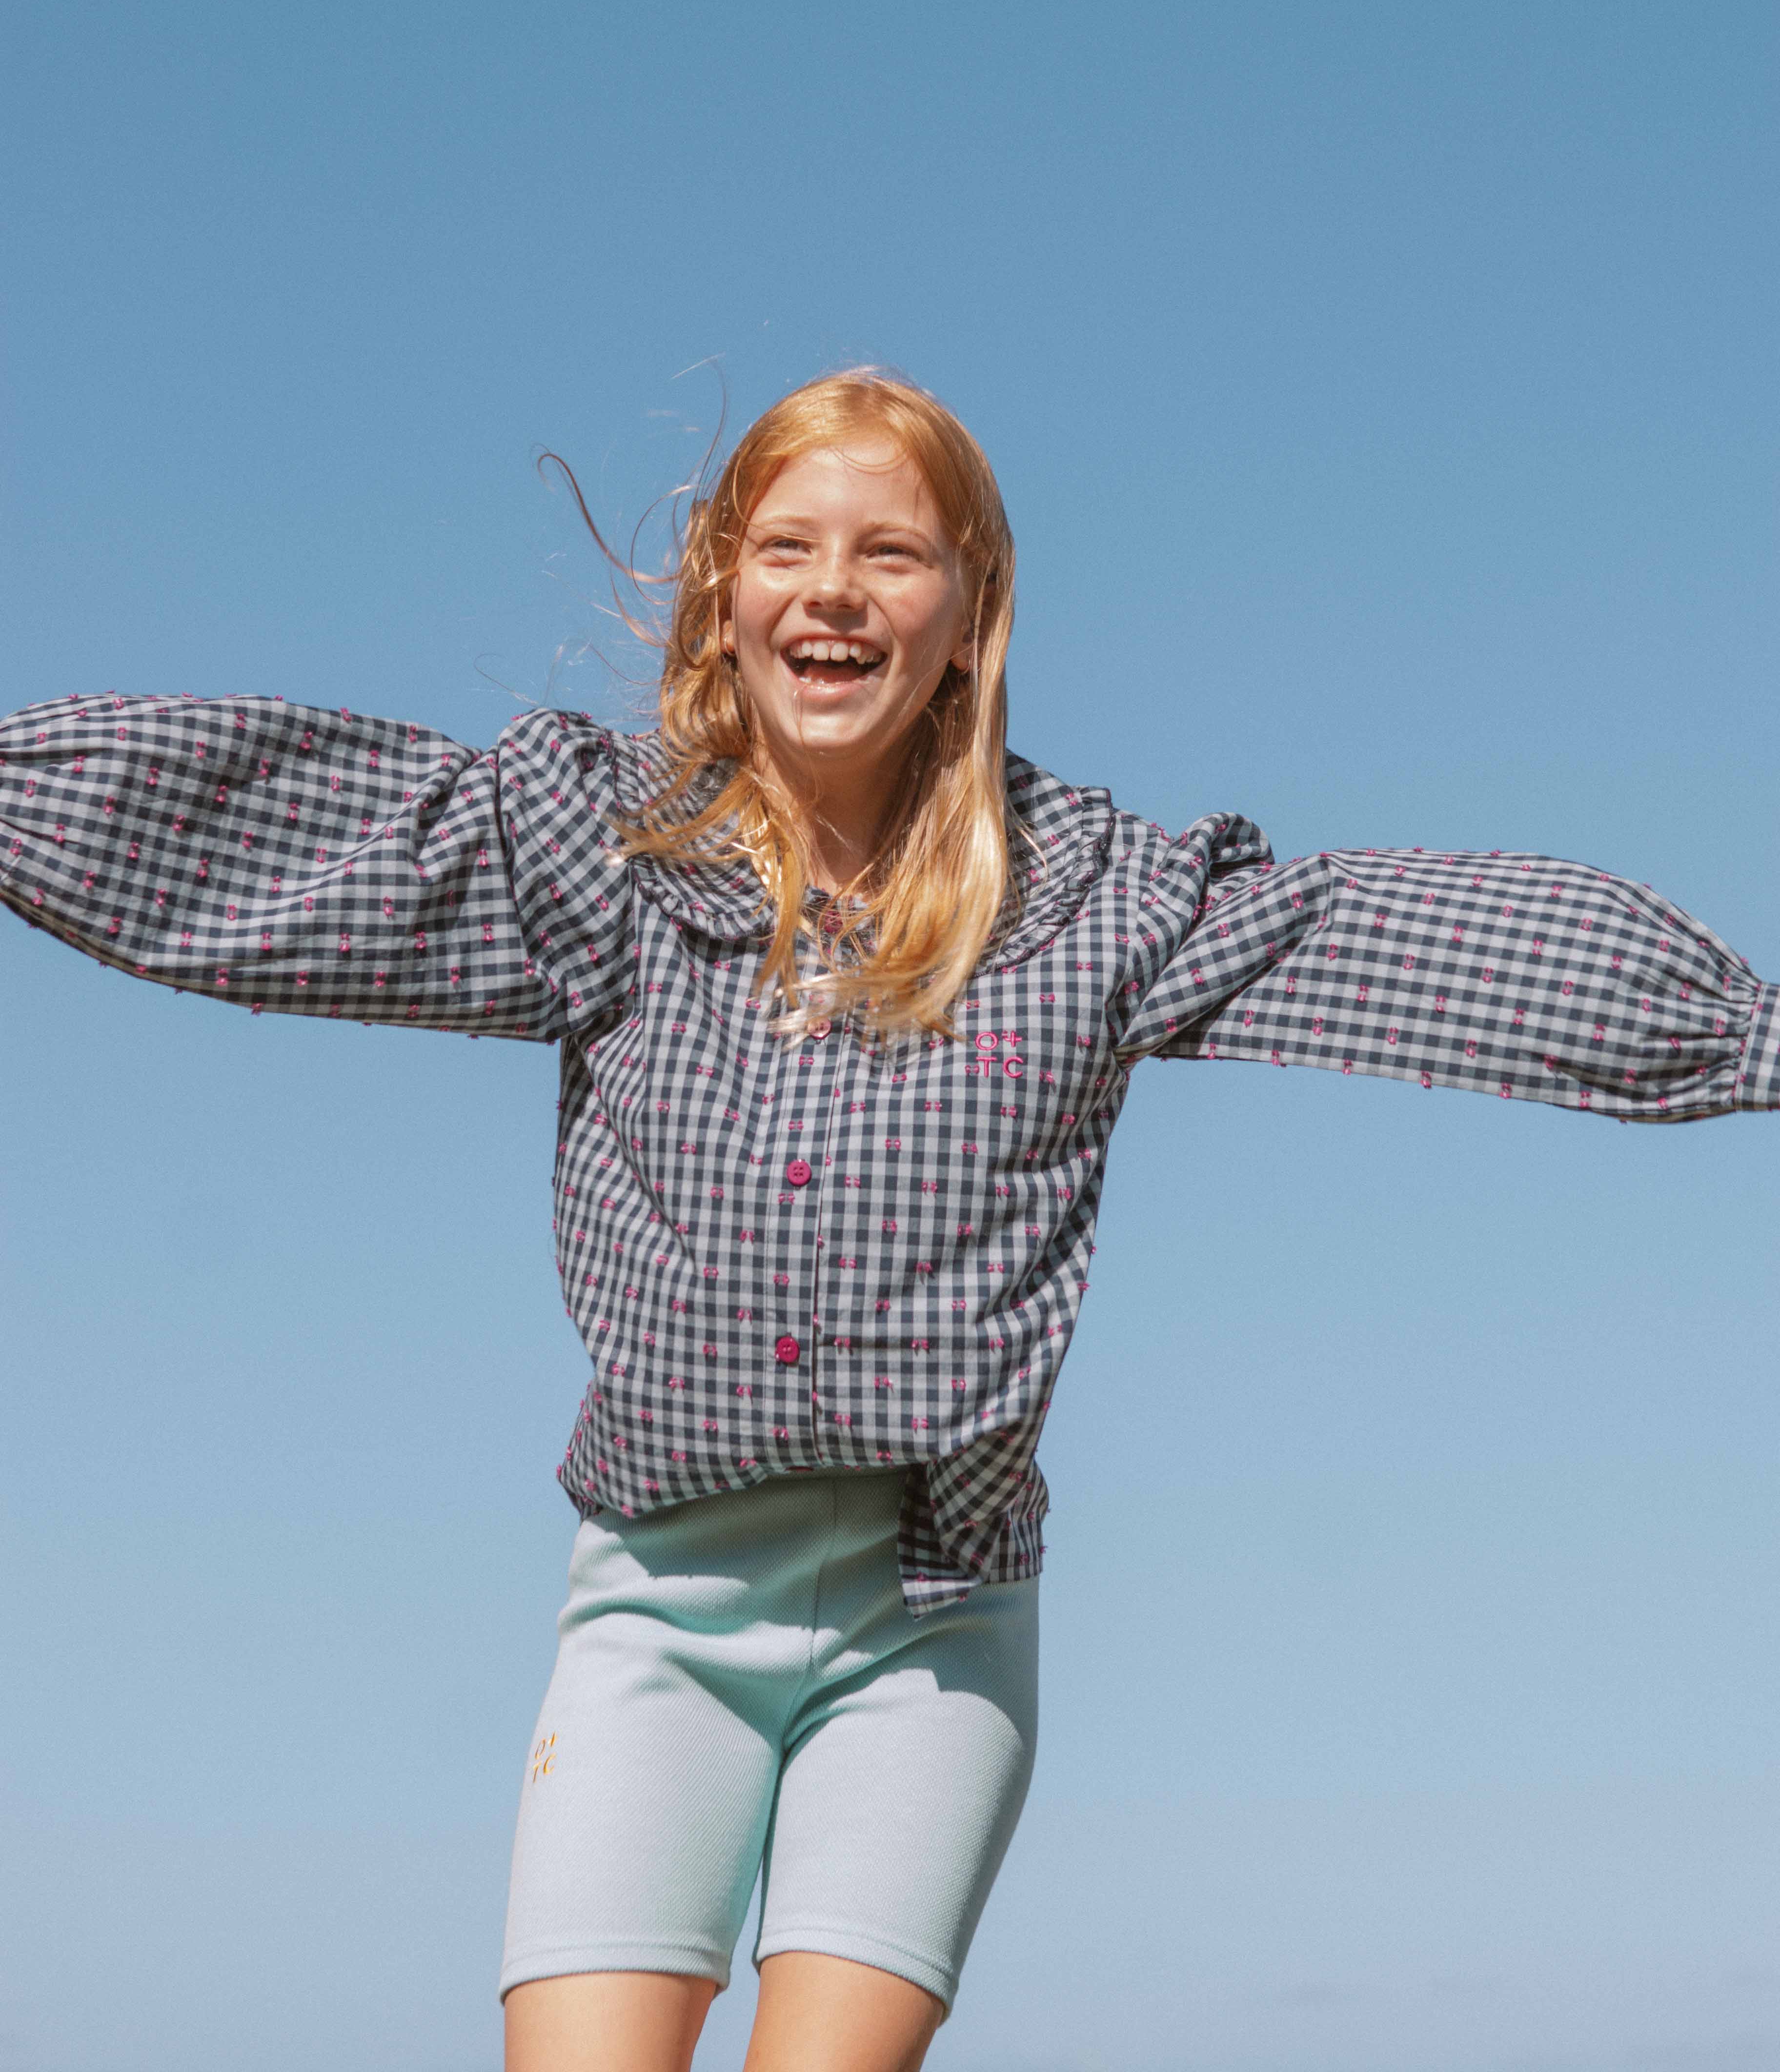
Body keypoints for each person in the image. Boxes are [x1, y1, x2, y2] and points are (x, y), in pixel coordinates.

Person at [4, 368, 1775, 2072]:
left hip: (935, 1632)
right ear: (722, 597)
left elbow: (1417, 945)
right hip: (662, 1613)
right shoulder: (605, 873)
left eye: (890, 553)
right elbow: (272, 832)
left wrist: (1756, 1041)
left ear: (967, 610)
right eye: (786, 549)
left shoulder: (1095, 905)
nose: (833, 593)